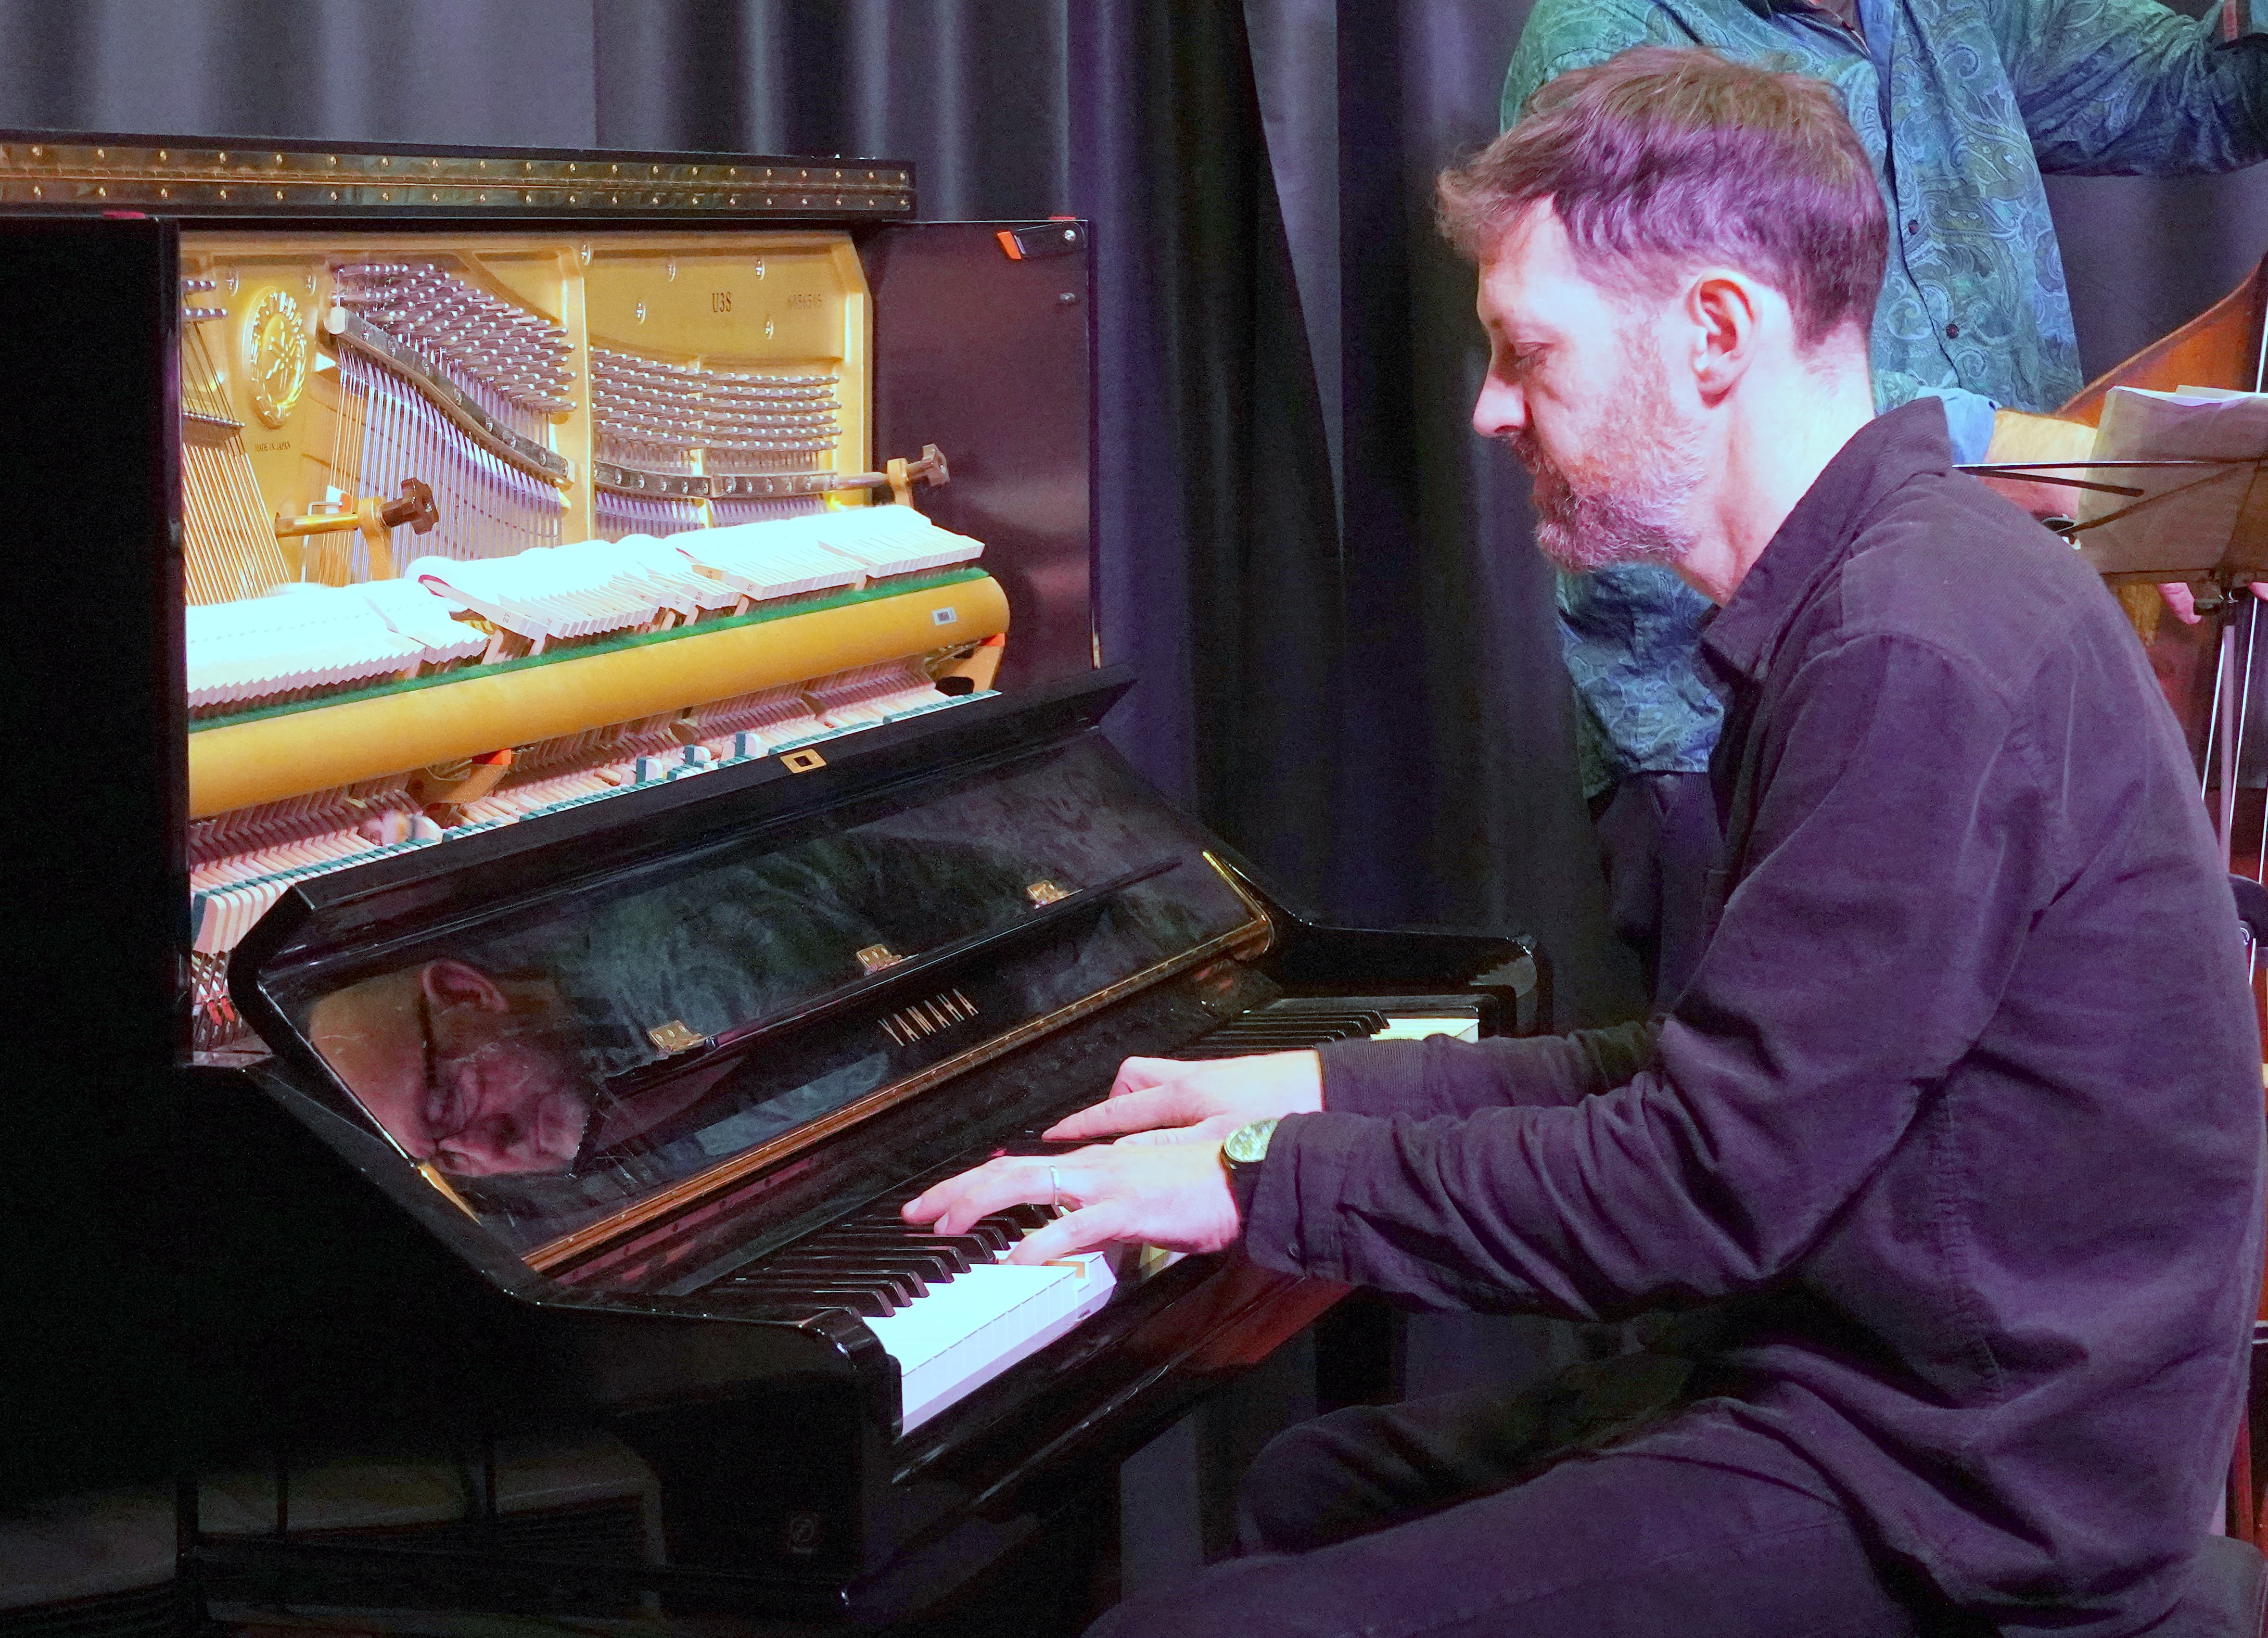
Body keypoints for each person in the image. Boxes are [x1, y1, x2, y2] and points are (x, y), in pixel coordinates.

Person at [903, 50, 2265, 1636]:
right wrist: (1317, 1088)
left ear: (1711, 335)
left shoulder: (1908, 647)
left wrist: (1254, 1181)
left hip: (1974, 1487)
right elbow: (1716, 1078)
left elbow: (1699, 1184)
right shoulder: (1885, 579)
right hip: (1892, 1378)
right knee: (1312, 1483)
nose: (1487, 407)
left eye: (1525, 350)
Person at [1505, 0, 2268, 1000]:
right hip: (1729, 731)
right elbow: (1689, 370)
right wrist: (2033, 452)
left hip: (1986, 681)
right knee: (1761, 1088)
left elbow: (2211, 99)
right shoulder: (1604, 41)